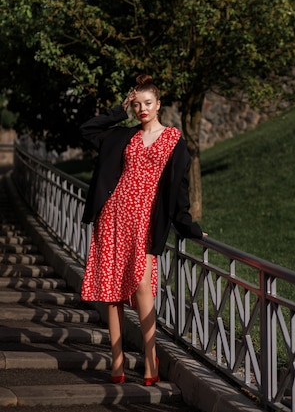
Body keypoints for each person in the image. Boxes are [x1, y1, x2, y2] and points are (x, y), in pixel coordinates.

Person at [80, 74, 205, 385]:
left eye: (147, 103)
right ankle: (117, 361)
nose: (142, 109)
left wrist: (187, 226)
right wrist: (118, 113)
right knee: (111, 292)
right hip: (113, 217)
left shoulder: (174, 140)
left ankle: (151, 359)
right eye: (136, 105)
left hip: (146, 221)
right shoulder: (123, 136)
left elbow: (179, 188)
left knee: (142, 288)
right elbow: (87, 130)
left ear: (159, 104)